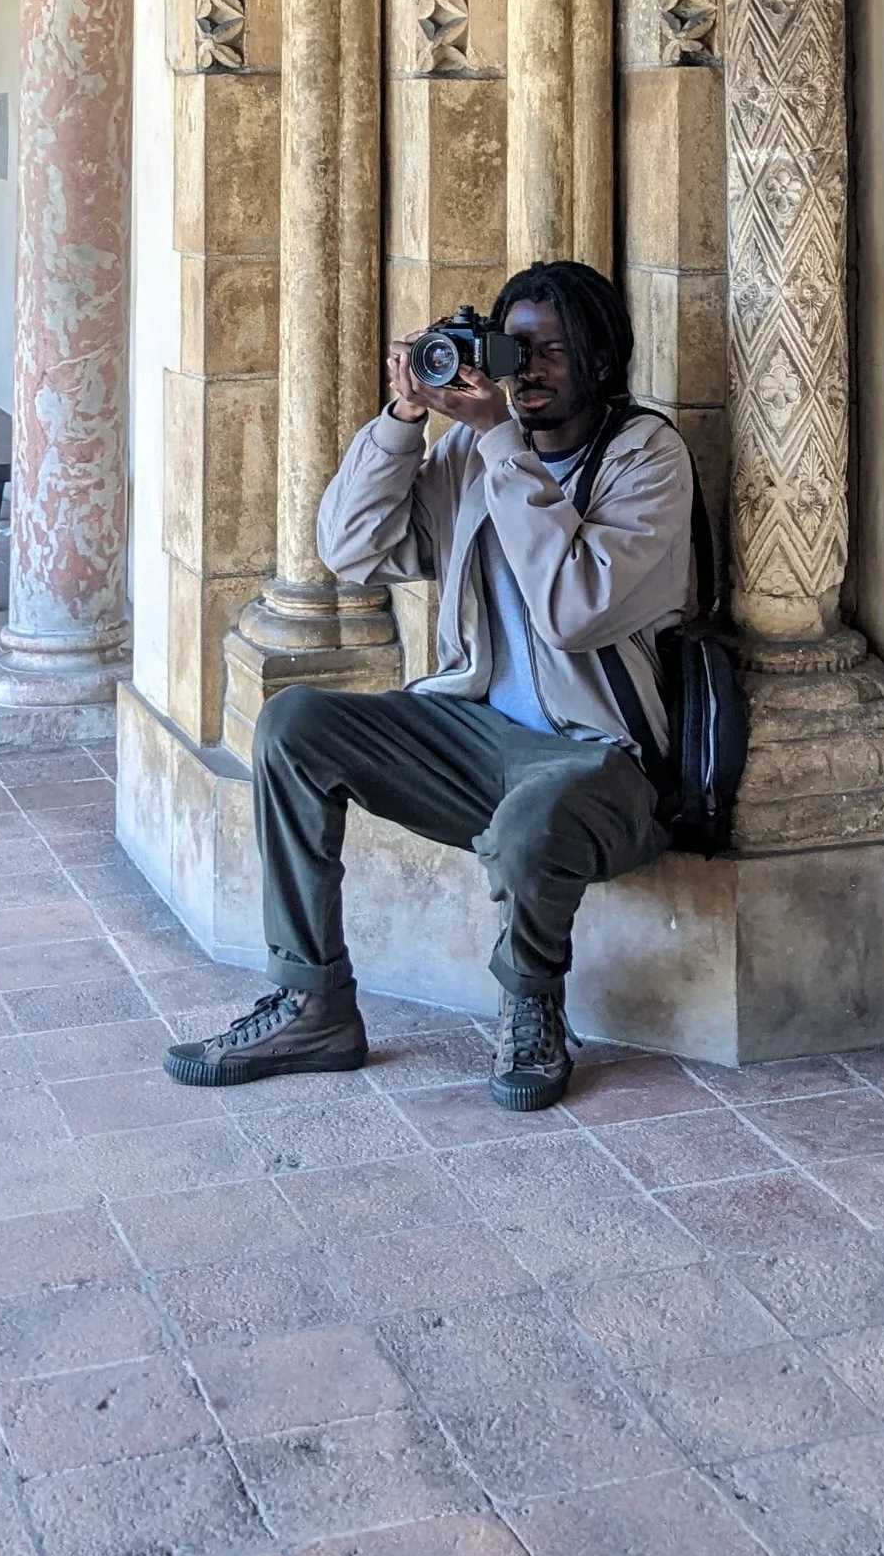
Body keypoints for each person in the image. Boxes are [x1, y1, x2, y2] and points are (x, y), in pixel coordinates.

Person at [163, 260, 695, 1112]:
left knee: (535, 816)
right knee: (294, 725)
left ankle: (531, 1005)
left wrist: (499, 443)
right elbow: (350, 549)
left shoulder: (647, 457)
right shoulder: (473, 452)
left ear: (602, 360)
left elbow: (572, 609)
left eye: (555, 350)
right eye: (516, 347)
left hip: (599, 764)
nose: (531, 369)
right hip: (475, 735)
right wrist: (404, 417)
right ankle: (313, 1002)